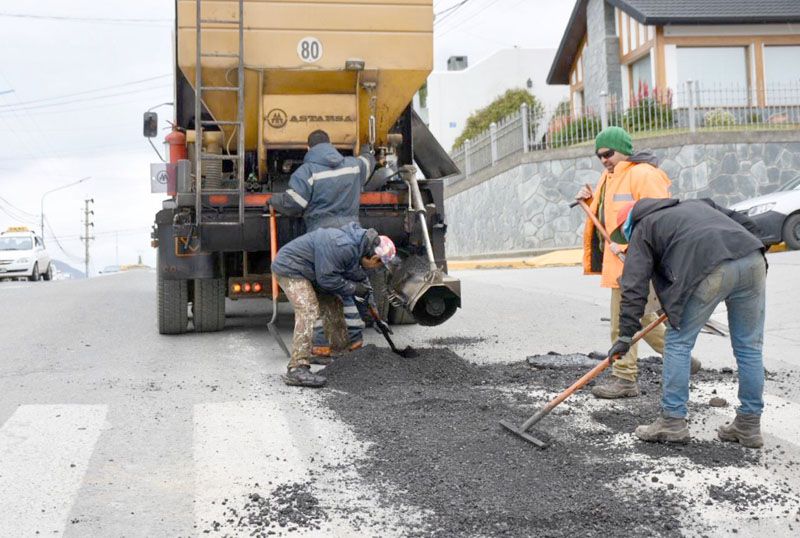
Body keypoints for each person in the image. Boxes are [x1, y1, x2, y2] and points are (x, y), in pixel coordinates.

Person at [608, 198, 767, 447]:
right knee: (749, 347)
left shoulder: (643, 228)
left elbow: (634, 287)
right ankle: (749, 424)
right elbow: (746, 223)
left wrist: (626, 335)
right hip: (751, 258)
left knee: (678, 342)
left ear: (629, 224)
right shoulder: (697, 204)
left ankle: (672, 421)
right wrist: (753, 250)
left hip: (709, 269)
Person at [575, 126, 700, 399]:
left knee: (622, 323)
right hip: (620, 262)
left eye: (608, 153)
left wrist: (634, 250)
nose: (604, 159)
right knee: (641, 317)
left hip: (636, 261)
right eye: (599, 155)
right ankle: (679, 356)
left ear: (624, 150)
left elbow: (661, 219)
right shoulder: (608, 177)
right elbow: (613, 212)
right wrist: (590, 199)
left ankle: (624, 379)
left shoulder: (643, 174)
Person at [270, 130, 376, 362]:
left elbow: (293, 204)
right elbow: (369, 163)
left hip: (323, 241)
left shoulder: (306, 172)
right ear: (331, 145)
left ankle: (319, 346)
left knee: (322, 290)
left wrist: (273, 200)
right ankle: (356, 340)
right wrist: (368, 150)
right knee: (347, 290)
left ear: (308, 149)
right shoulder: (352, 165)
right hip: (351, 237)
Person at [271, 222, 396, 388]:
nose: (377, 269)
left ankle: (341, 356)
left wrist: (376, 319)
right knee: (308, 308)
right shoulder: (343, 247)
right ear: (374, 258)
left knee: (334, 304)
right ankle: (297, 368)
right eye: (379, 265)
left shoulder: (358, 251)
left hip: (314, 271)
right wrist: (353, 288)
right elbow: (327, 279)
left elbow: (364, 289)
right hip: (291, 267)